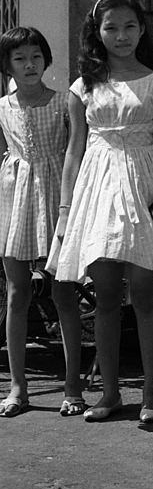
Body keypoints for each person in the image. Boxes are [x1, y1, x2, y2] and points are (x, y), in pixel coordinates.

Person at [49, 0, 153, 424]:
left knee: (143, 293)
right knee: (104, 297)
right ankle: (110, 394)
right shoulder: (82, 87)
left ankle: (152, 392)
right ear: (97, 34)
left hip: (145, 187)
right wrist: (65, 212)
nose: (121, 36)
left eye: (130, 27)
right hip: (96, 190)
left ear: (142, 30)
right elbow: (73, 153)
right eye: (111, 28)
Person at [0, 27, 83, 417]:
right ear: (7, 66)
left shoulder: (64, 101)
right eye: (20, 59)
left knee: (63, 294)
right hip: (16, 200)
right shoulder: (3, 107)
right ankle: (19, 387)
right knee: (17, 294)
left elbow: (75, 153)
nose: (29, 64)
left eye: (36, 56)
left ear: (46, 60)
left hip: (57, 197)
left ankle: (73, 386)